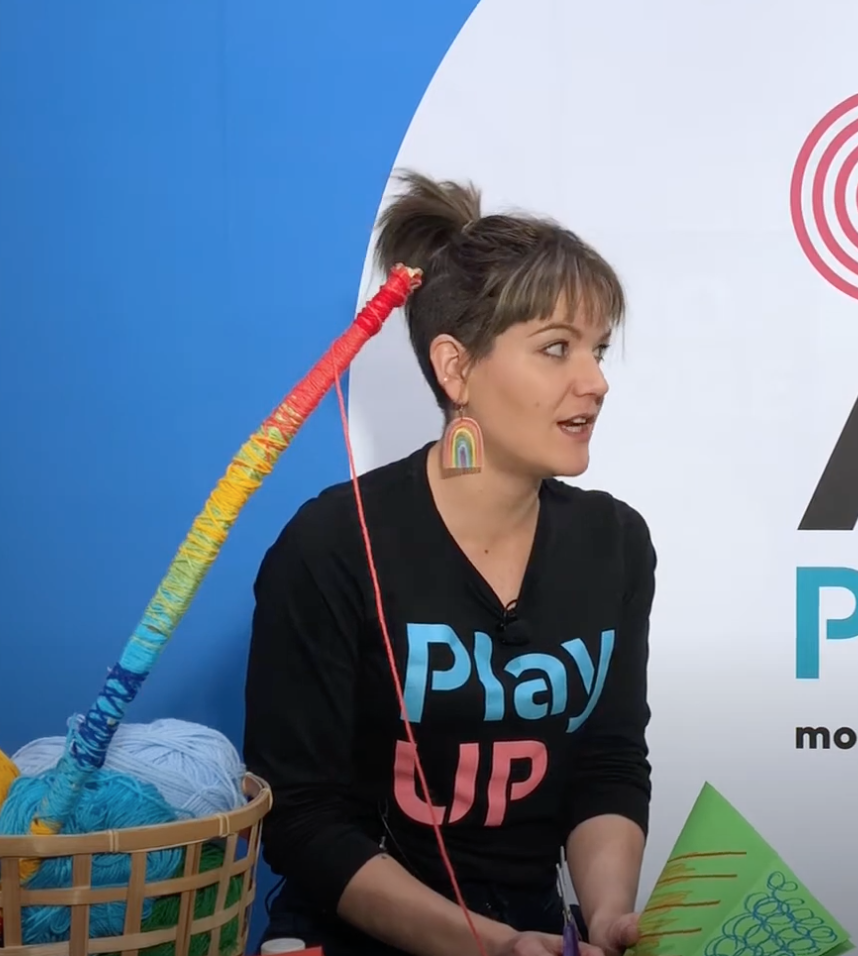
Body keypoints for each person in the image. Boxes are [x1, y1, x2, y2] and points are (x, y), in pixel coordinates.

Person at [243, 171, 654, 956]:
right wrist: (485, 945)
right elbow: (302, 820)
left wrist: (603, 918)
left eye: (598, 350)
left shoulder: (617, 544)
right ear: (456, 368)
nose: (595, 382)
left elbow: (607, 762)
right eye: (556, 349)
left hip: (537, 933)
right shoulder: (332, 544)